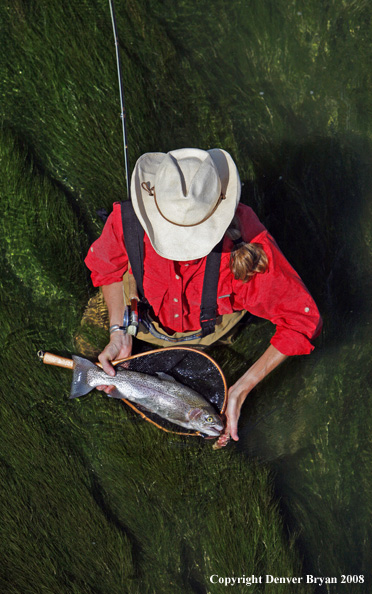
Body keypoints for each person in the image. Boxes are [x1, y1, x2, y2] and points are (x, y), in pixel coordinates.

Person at [84, 148, 322, 445]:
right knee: (84, 346)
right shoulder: (128, 220)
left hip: (212, 331)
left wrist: (241, 388)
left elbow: (302, 320)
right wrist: (118, 330)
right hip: (139, 317)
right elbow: (106, 270)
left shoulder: (248, 245)